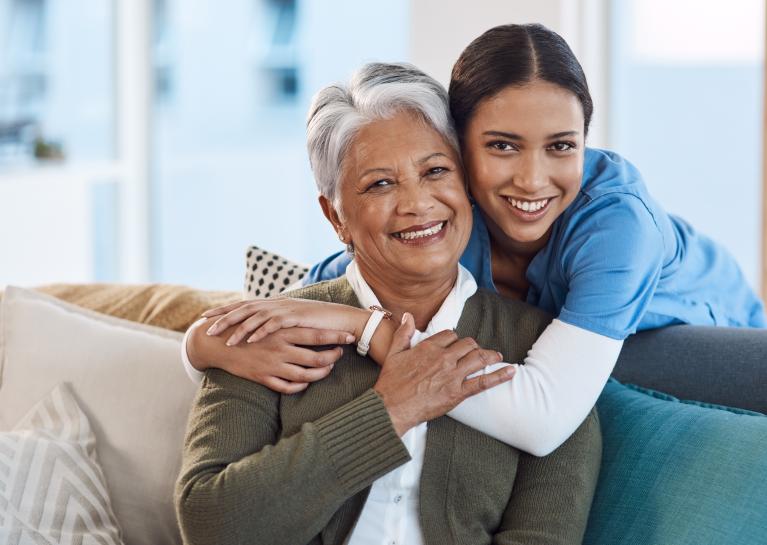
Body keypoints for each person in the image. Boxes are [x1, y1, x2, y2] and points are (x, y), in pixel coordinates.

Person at [192, 23, 764, 457]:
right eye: (502, 146)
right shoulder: (448, 218)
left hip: (696, 335)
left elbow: (541, 423)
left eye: (562, 146)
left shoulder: (616, 225)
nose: (533, 180)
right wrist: (198, 344)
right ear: (458, 149)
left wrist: (366, 330)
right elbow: (310, 295)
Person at [176, 62, 601, 545]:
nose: (417, 204)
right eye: (380, 184)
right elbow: (209, 525)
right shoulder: (270, 330)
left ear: (467, 183)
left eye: (436, 171)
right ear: (335, 216)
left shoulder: (543, 358)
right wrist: (390, 409)